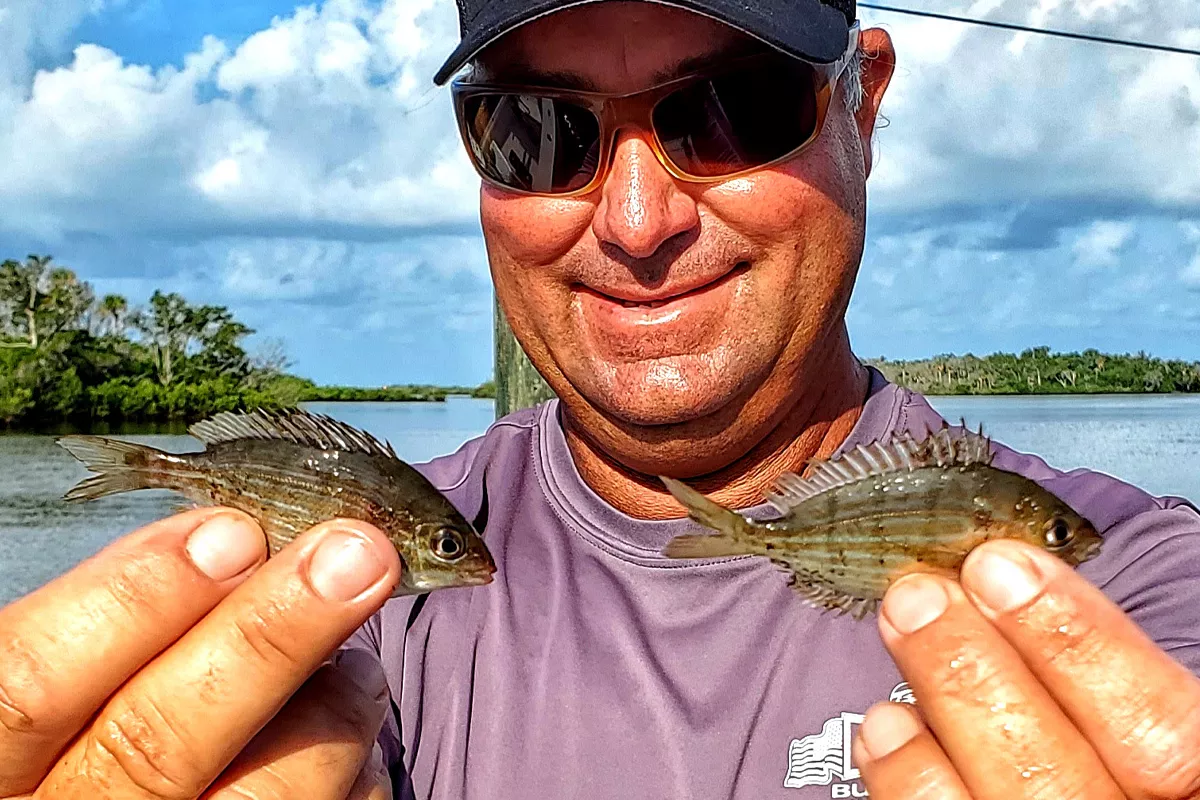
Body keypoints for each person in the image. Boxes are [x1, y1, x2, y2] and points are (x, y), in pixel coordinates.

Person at [2, 0, 1198, 798]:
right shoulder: (342, 580)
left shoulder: (1136, 582)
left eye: (728, 108)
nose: (635, 224)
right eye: (536, 132)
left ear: (864, 106)